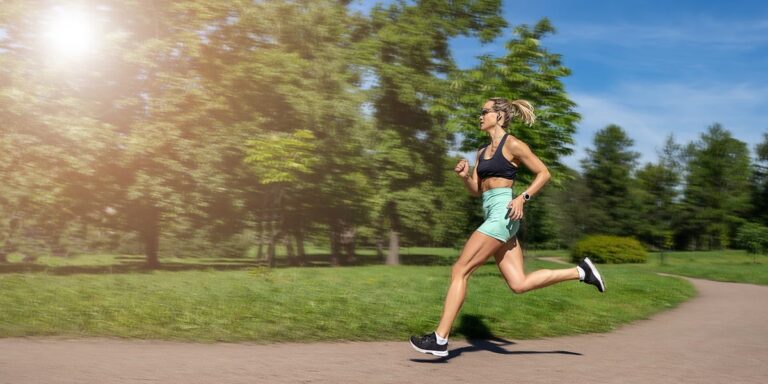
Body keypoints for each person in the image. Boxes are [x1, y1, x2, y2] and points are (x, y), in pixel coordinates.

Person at [409, 98, 605, 357]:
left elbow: (544, 173)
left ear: (499, 116)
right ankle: (581, 272)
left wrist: (522, 198)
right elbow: (476, 191)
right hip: (493, 212)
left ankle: (440, 339)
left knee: (460, 269)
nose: (480, 116)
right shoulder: (481, 152)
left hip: (504, 213)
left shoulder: (512, 144)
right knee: (519, 284)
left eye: (484, 112)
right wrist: (464, 176)